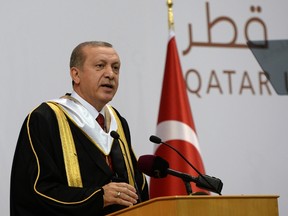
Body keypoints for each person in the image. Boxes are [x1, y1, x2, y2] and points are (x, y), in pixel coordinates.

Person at [10, 41, 149, 216]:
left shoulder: (117, 122)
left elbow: (136, 185)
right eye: (100, 66)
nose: (110, 74)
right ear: (76, 75)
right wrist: (98, 197)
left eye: (116, 68)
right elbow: (35, 190)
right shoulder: (46, 119)